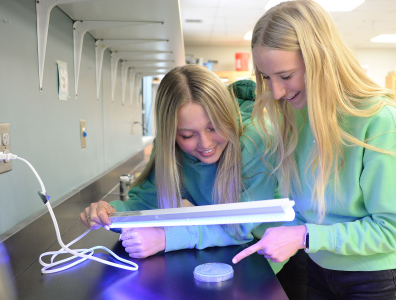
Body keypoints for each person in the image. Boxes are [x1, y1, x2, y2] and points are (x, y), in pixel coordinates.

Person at [232, 1, 396, 299]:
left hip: (377, 279)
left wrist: (306, 235)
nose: (277, 92)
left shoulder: (382, 121)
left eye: (285, 76)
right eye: (267, 78)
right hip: (318, 268)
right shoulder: (295, 116)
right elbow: (304, 211)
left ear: (321, 60)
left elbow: (392, 229)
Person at [80, 65, 276, 258]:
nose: (206, 144)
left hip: (275, 258)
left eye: (214, 127)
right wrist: (112, 214)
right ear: (171, 135)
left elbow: (240, 227)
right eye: (187, 135)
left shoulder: (257, 139)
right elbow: (146, 203)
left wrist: (166, 238)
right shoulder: (171, 149)